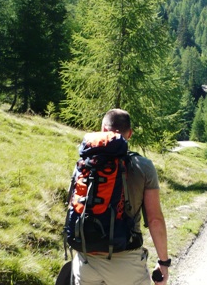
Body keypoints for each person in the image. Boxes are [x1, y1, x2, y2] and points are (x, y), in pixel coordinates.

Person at [71, 109, 171, 285]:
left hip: (85, 260)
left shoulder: (85, 163)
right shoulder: (143, 166)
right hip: (126, 262)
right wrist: (163, 262)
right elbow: (155, 219)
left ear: (103, 129)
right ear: (130, 133)